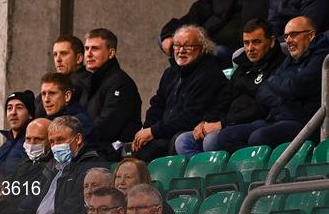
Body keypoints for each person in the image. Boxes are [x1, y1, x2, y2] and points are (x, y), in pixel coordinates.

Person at [175, 18, 285, 157]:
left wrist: (223, 123)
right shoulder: (242, 66)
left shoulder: (279, 66)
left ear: (272, 42)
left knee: (212, 140)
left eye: (256, 42)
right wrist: (207, 121)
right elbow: (225, 98)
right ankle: (211, 174)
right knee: (184, 141)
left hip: (258, 121)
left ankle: (229, 174)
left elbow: (260, 108)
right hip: (231, 121)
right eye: (246, 43)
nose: (250, 48)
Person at [218, 16, 329, 152]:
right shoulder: (290, 59)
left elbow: (297, 85)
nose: (288, 40)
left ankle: (269, 167)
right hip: (276, 117)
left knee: (258, 137)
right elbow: (263, 90)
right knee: (225, 137)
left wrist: (278, 86)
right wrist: (283, 95)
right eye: (286, 36)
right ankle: (258, 164)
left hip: (305, 121)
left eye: (293, 35)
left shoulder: (322, 57)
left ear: (311, 35)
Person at [132, 25, 228, 162]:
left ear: (202, 48)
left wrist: (153, 132)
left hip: (185, 131)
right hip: (165, 131)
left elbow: (190, 118)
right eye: (177, 45)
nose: (181, 50)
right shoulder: (170, 73)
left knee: (152, 152)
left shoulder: (209, 74)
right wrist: (147, 129)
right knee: (138, 149)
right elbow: (157, 105)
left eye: (188, 46)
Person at [19, 116, 103, 214]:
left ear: (78, 139)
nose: (55, 146)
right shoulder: (51, 167)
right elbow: (29, 203)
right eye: (52, 142)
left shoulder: (90, 167)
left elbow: (71, 210)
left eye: (60, 140)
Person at [78, 28, 142, 160]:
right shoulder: (87, 82)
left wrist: (76, 136)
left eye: (95, 49)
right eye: (86, 48)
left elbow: (107, 126)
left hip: (111, 154)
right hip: (90, 147)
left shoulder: (121, 83)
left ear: (111, 53)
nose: (88, 54)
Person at [0, 90, 35, 176]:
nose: (13, 112)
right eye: (9, 108)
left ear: (30, 114)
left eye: (19, 107)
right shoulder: (6, 145)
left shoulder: (32, 142)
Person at [35, 36, 88, 117]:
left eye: (63, 54)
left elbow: (39, 111)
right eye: (55, 54)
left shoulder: (84, 83)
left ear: (79, 58)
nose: (58, 59)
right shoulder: (56, 82)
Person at [5, 118, 52, 208]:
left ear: (50, 141)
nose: (32, 144)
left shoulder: (53, 167)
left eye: (38, 139)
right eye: (28, 139)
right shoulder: (24, 163)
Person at [40, 72, 94, 141]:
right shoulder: (45, 119)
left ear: (67, 96)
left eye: (52, 93)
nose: (46, 99)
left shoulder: (80, 123)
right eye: (43, 94)